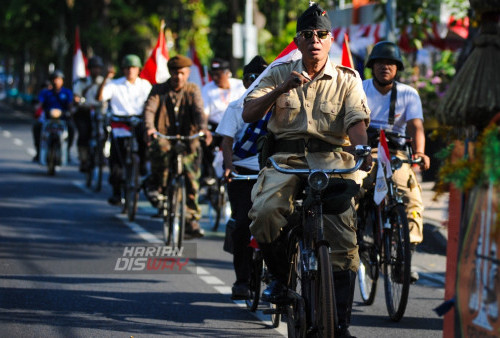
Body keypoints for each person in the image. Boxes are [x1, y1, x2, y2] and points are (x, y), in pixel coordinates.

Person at [242, 4, 371, 337]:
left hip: (333, 163)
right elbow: (249, 114)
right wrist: (282, 88)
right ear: (298, 41)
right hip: (285, 163)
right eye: (308, 35)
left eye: (322, 35)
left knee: (344, 243)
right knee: (266, 214)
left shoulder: (348, 78)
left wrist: (362, 148)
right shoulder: (277, 72)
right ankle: (281, 281)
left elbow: (357, 121)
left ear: (331, 41)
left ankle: (339, 325)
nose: (315, 40)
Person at [362, 41, 431, 282]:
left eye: (391, 63)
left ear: (397, 68)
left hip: (396, 155)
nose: (385, 67)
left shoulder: (409, 94)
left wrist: (420, 153)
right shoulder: (360, 89)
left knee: (411, 198)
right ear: (372, 66)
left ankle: (406, 257)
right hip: (366, 152)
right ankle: (359, 241)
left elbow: (416, 126)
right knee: (352, 191)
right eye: (380, 62)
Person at [216, 55, 269, 300]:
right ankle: (242, 281)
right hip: (242, 175)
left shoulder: (279, 106)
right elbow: (227, 142)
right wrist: (229, 168)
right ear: (246, 82)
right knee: (241, 226)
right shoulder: (237, 106)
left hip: (273, 173)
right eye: (252, 78)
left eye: (262, 77)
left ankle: (278, 276)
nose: (256, 82)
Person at [143, 55, 210, 239]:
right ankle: (159, 188)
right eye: (174, 72)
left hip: (189, 139)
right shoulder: (158, 90)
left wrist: (203, 128)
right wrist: (150, 128)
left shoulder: (192, 90)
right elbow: (150, 110)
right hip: (165, 136)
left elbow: (198, 111)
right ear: (170, 73)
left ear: (187, 73)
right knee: (160, 150)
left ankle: (191, 219)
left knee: (191, 176)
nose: (178, 76)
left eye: (181, 73)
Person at [96, 54, 152, 205]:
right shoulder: (114, 84)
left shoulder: (145, 85)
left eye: (133, 67)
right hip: (119, 124)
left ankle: (141, 172)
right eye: (127, 68)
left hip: (138, 121)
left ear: (138, 69)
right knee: (116, 158)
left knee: (146, 146)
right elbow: (100, 97)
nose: (130, 71)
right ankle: (116, 191)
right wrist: (105, 79)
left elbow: (152, 104)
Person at [200, 58, 246, 184]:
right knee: (203, 141)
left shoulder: (239, 85)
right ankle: (209, 174)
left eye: (218, 74)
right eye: (212, 74)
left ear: (227, 73)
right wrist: (204, 130)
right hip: (217, 128)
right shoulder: (207, 89)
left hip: (239, 128)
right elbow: (204, 113)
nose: (214, 78)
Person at [32, 70, 74, 162]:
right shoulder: (45, 92)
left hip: (62, 118)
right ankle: (39, 151)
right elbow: (40, 103)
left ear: (62, 81)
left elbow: (70, 105)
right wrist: (36, 108)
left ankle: (67, 151)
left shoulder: (67, 92)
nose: (56, 81)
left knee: (71, 128)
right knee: (37, 126)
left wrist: (71, 111)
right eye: (54, 79)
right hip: (47, 118)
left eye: (58, 79)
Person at [73, 55, 105, 172]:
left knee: (105, 132)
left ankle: (102, 154)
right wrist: (77, 100)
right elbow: (76, 95)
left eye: (98, 68)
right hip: (84, 112)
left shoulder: (105, 82)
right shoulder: (82, 82)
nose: (96, 70)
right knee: (83, 135)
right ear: (89, 69)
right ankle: (83, 159)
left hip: (100, 112)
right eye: (94, 68)